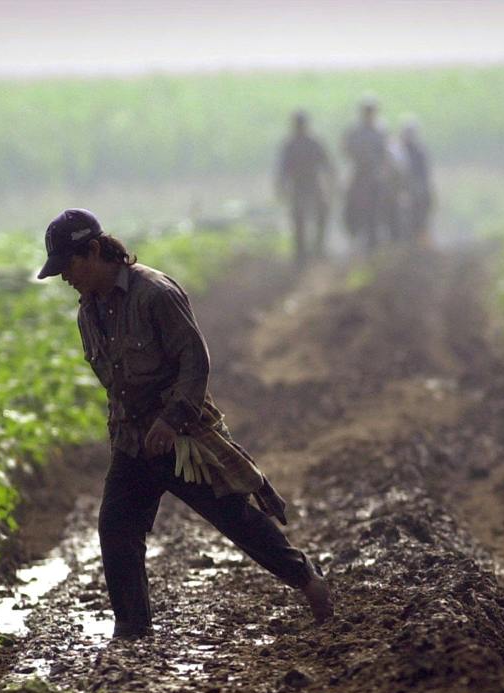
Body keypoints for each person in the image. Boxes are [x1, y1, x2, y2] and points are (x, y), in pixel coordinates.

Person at [36, 208, 334, 640]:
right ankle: (132, 629)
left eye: (70, 265)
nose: (66, 277)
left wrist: (172, 421)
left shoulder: (155, 293)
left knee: (235, 519)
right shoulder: (89, 315)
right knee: (116, 528)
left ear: (96, 251)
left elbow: (195, 361)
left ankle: (308, 580)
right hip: (133, 442)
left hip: (180, 439)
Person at [275, 110, 334, 265]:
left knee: (321, 214)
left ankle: (318, 248)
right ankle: (301, 253)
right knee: (299, 219)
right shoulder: (290, 144)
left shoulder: (313, 142)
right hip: (299, 185)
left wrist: (331, 183)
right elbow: (283, 168)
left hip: (312, 183)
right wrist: (281, 186)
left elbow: (327, 164)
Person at [340, 94, 396, 253]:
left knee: (385, 204)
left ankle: (383, 238)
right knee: (349, 201)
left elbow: (387, 153)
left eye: (371, 111)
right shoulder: (355, 131)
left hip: (376, 174)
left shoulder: (381, 130)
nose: (369, 113)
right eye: (367, 111)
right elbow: (345, 149)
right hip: (359, 172)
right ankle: (354, 234)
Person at [396, 115, 435, 243]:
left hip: (416, 186)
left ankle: (422, 232)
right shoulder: (397, 151)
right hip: (401, 186)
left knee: (422, 204)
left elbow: (424, 172)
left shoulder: (419, 151)